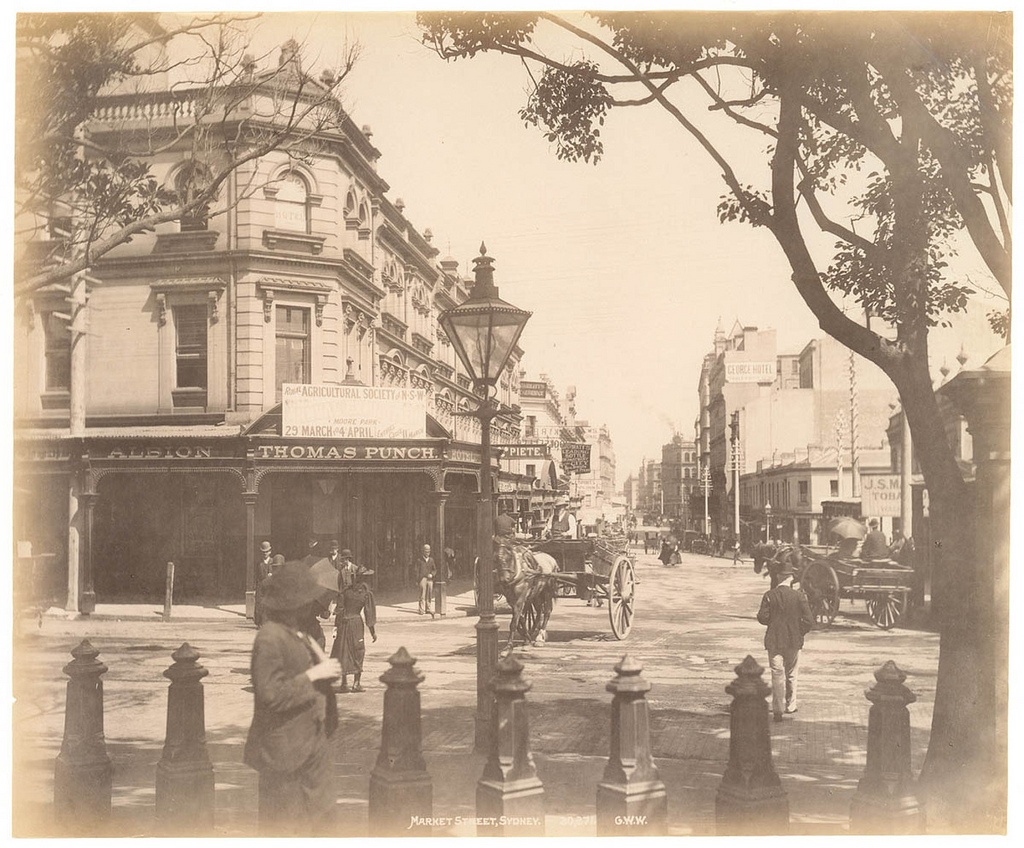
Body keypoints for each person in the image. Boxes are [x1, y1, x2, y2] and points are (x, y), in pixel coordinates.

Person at [243, 562, 341, 836]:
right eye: (308, 600)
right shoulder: (269, 637)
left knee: (320, 825)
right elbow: (271, 694)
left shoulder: (300, 634)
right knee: (284, 828)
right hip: (284, 754)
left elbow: (313, 675)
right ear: (294, 604)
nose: (313, 605)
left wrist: (322, 667)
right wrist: (314, 674)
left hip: (311, 745)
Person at [757, 557, 814, 722]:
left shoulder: (769, 595)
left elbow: (762, 617)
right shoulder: (799, 596)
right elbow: (809, 621)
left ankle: (778, 710)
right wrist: (799, 632)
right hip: (794, 641)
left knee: (777, 674)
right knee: (791, 674)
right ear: (790, 578)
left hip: (774, 640)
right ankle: (790, 705)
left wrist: (773, 623)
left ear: (779, 577)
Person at [330, 567, 377, 693]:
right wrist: (373, 632)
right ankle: (356, 683)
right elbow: (369, 614)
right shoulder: (366, 594)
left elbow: (339, 610)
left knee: (344, 651)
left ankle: (344, 683)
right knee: (358, 651)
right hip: (356, 623)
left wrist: (336, 627)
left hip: (344, 624)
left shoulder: (346, 591)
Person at [254, 541, 273, 626]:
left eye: (267, 551)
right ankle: (259, 623)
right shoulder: (259, 563)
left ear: (270, 552)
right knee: (259, 604)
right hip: (261, 585)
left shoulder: (273, 562)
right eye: (263, 552)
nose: (265, 553)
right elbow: (257, 575)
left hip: (270, 586)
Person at [416, 544, 436, 616]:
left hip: (429, 579)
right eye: (426, 551)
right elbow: (417, 571)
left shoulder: (431, 560)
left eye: (428, 551)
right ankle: (421, 609)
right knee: (422, 594)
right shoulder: (419, 560)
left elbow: (434, 570)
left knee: (429, 593)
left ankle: (428, 608)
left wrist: (432, 574)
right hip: (422, 578)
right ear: (423, 552)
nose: (427, 553)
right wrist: (417, 580)